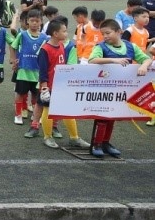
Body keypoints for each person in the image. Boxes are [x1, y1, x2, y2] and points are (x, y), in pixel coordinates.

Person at [88, 19, 152, 157]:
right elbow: (92, 60)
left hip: (122, 89)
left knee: (113, 115)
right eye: (103, 34)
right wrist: (113, 60)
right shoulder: (101, 47)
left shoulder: (130, 46)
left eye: (108, 33)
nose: (105, 36)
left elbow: (147, 59)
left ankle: (105, 143)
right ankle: (96, 144)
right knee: (102, 116)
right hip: (104, 89)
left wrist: (144, 65)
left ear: (118, 32)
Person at [36, 19, 89, 150]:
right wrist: (44, 88)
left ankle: (74, 138)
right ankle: (47, 137)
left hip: (61, 85)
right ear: (55, 33)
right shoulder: (45, 49)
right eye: (64, 31)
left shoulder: (61, 46)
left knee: (67, 110)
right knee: (48, 110)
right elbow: (43, 71)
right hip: (49, 86)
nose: (66, 33)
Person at [10, 10, 49, 137]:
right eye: (32, 21)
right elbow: (13, 46)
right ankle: (18, 114)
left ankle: (35, 116)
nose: (34, 23)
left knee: (36, 95)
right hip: (23, 70)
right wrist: (13, 60)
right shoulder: (22, 35)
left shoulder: (45, 38)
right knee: (20, 93)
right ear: (27, 21)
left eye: (37, 21)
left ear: (41, 22)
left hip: (37, 72)